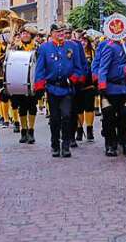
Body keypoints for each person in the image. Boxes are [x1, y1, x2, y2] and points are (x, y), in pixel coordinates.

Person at [33, 23, 88, 158]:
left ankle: (66, 145)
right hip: (52, 88)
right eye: (58, 32)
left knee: (67, 116)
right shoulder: (44, 48)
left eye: (62, 31)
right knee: (55, 118)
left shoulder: (73, 46)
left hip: (67, 88)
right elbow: (40, 68)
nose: (61, 34)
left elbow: (78, 67)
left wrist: (73, 79)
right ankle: (55, 144)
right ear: (52, 33)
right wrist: (39, 86)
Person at [95, 27, 126, 157]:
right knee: (109, 119)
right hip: (111, 88)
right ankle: (110, 145)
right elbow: (103, 68)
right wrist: (102, 87)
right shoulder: (110, 47)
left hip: (124, 88)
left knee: (125, 119)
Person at [10, 24, 39, 145]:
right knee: (22, 108)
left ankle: (31, 131)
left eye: (27, 33)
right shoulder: (15, 47)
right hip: (19, 81)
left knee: (32, 107)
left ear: (31, 35)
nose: (25, 35)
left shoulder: (37, 48)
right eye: (23, 33)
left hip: (33, 82)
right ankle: (23, 131)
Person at [74, 33, 96, 143]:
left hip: (89, 84)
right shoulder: (74, 52)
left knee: (89, 108)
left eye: (85, 41)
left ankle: (89, 129)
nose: (83, 43)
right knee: (78, 108)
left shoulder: (93, 53)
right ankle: (79, 130)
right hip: (78, 85)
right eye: (81, 41)